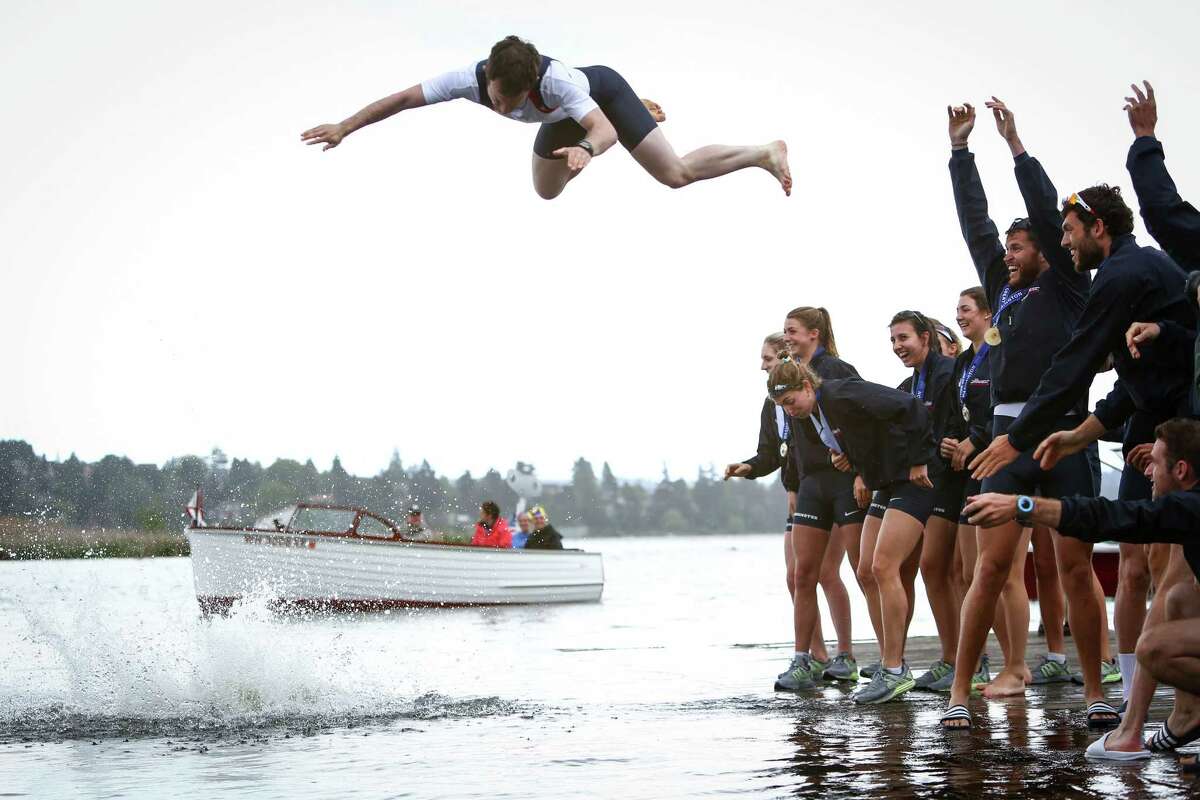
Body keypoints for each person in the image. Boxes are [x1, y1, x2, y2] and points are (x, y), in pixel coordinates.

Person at [942, 98, 1110, 730]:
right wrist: (961, 151)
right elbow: (974, 223)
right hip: (1002, 440)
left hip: (1064, 435)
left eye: (1020, 246)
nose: (1008, 254)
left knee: (1074, 565)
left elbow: (1044, 209)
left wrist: (1017, 148)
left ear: (1048, 249)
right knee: (988, 567)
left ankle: (1095, 694)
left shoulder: (1067, 281)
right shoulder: (1003, 283)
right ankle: (960, 695)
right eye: (1007, 249)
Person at [963, 418, 1200, 767]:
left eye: (1155, 462)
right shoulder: (1188, 505)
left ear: (1181, 469)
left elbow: (1118, 517)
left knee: (1154, 648)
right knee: (1181, 597)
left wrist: (1021, 506)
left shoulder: (1191, 508)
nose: (1146, 471)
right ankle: (1189, 716)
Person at [301, 35, 792, 200]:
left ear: (531, 83)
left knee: (676, 175)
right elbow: (403, 99)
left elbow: (603, 131)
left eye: (511, 101)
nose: (502, 109)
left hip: (600, 97)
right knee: (546, 191)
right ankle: (631, 113)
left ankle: (763, 153)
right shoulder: (466, 79)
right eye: (495, 100)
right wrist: (346, 125)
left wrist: (587, 146)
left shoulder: (559, 83)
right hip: (571, 118)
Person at [767, 357, 936, 705]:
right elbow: (868, 436)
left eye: (791, 401)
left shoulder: (840, 394)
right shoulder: (816, 413)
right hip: (886, 482)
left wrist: (920, 458)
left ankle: (894, 669)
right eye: (783, 407)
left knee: (883, 567)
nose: (790, 410)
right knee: (865, 570)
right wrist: (852, 463)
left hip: (911, 478)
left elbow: (910, 406)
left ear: (807, 386)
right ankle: (892, 662)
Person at [724, 331, 835, 680]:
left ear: (786, 360)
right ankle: (815, 653)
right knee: (797, 576)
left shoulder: (813, 392)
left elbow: (821, 443)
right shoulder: (772, 405)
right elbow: (773, 453)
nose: (762, 366)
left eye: (767, 359)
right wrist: (750, 468)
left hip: (828, 490)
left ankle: (845, 653)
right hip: (800, 492)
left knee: (829, 574)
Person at [864, 311, 959, 695]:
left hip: (945, 481)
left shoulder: (947, 372)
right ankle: (897, 659)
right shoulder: (909, 382)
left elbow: (958, 422)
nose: (897, 346)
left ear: (925, 337)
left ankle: (961, 660)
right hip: (912, 479)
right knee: (896, 570)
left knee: (944, 571)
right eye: (892, 341)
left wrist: (958, 440)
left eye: (903, 338)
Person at [771, 307, 863, 690]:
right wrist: (792, 484)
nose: (786, 337)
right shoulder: (790, 377)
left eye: (792, 331)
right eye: (784, 331)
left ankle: (870, 660)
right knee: (802, 575)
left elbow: (866, 419)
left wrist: (860, 465)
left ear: (814, 332)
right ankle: (803, 659)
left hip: (845, 482)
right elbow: (789, 445)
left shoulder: (838, 370)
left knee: (866, 572)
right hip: (811, 484)